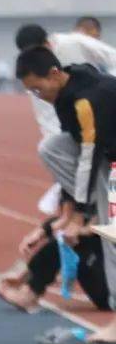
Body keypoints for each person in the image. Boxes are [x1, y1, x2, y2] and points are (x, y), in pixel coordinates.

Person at [16, 47, 116, 327]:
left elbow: (88, 155)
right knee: (51, 147)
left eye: (38, 89)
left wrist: (83, 212)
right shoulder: (64, 95)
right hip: (106, 156)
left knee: (110, 230)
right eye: (31, 92)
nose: (39, 96)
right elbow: (72, 149)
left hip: (109, 160)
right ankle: (90, 208)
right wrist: (69, 207)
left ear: (54, 73)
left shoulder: (87, 99)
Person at [15, 23, 116, 140]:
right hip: (74, 115)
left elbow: (113, 57)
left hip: (103, 99)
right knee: (50, 146)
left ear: (47, 43)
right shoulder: (35, 77)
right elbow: (46, 116)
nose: (36, 59)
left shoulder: (75, 42)